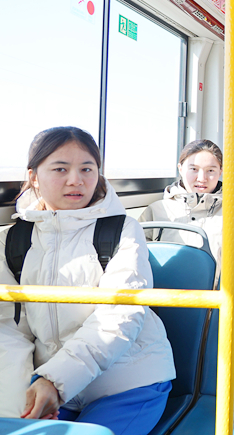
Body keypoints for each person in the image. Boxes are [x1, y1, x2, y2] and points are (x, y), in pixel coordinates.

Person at [0, 127, 175, 433]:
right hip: (49, 382)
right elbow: (10, 329)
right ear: (34, 177)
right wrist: (19, 401)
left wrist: (55, 381)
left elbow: (119, 316)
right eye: (60, 169)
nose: (76, 180)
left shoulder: (122, 230)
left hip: (129, 382)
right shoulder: (13, 240)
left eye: (87, 169)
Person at [139, 139, 234, 262]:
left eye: (210, 171)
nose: (202, 178)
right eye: (194, 169)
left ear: (220, 172)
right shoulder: (157, 211)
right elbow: (137, 257)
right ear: (180, 169)